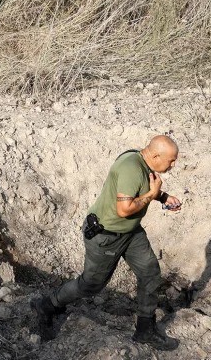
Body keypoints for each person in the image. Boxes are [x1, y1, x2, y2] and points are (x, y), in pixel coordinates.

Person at [31, 135, 183, 350]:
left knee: (150, 273)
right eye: (171, 160)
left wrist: (162, 197)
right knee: (91, 285)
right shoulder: (131, 168)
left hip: (131, 232)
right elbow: (124, 209)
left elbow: (142, 190)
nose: (174, 165)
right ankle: (47, 305)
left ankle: (145, 330)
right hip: (106, 236)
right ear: (156, 155)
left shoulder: (145, 162)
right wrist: (153, 194)